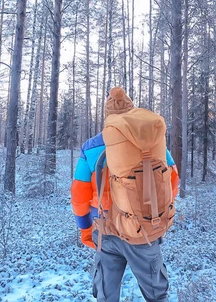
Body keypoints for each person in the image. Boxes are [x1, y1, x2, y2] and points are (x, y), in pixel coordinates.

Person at [70, 87, 179, 302]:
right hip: (143, 230)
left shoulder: (91, 147)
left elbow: (79, 196)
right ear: (132, 111)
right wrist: (150, 209)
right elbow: (172, 182)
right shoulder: (152, 143)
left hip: (105, 232)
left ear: (107, 117)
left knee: (106, 295)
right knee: (157, 296)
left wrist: (85, 229)